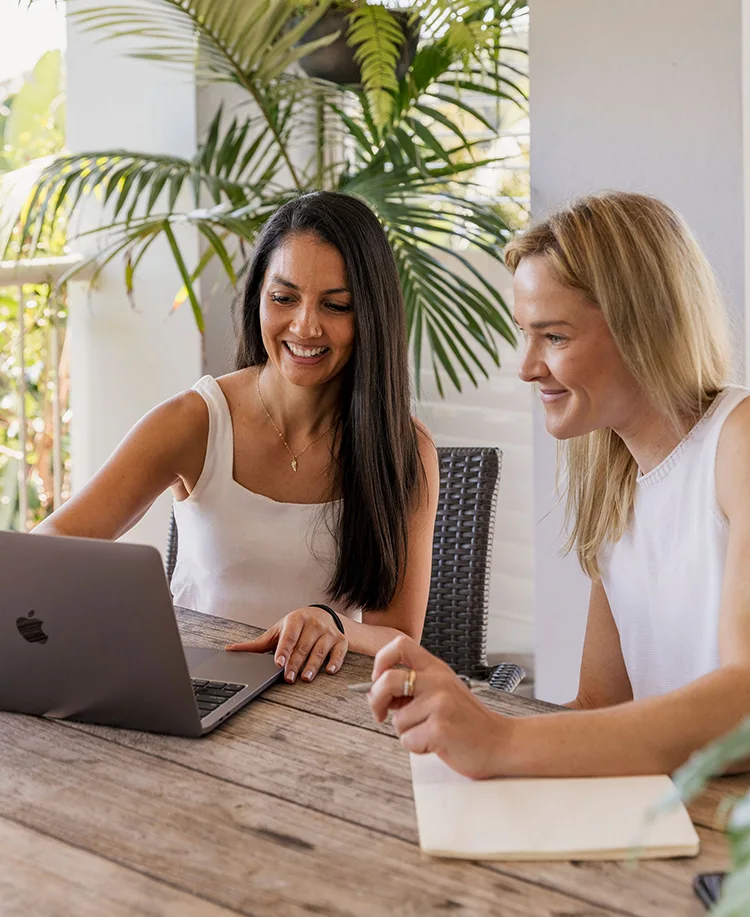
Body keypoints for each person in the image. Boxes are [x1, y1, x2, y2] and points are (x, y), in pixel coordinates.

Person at [367, 191, 750, 777]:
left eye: (555, 337)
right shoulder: (614, 479)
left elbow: (744, 701)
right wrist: (472, 715)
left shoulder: (738, 443)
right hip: (669, 812)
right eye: (526, 332)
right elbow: (599, 706)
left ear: (643, 328)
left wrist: (504, 744)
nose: (526, 366)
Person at [35, 191, 439, 684]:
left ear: (371, 316)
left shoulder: (403, 451)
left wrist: (334, 624)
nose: (305, 326)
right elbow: (47, 546)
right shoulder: (196, 421)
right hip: (189, 688)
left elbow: (399, 637)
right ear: (258, 298)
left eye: (336, 305)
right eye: (283, 298)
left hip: (321, 708)